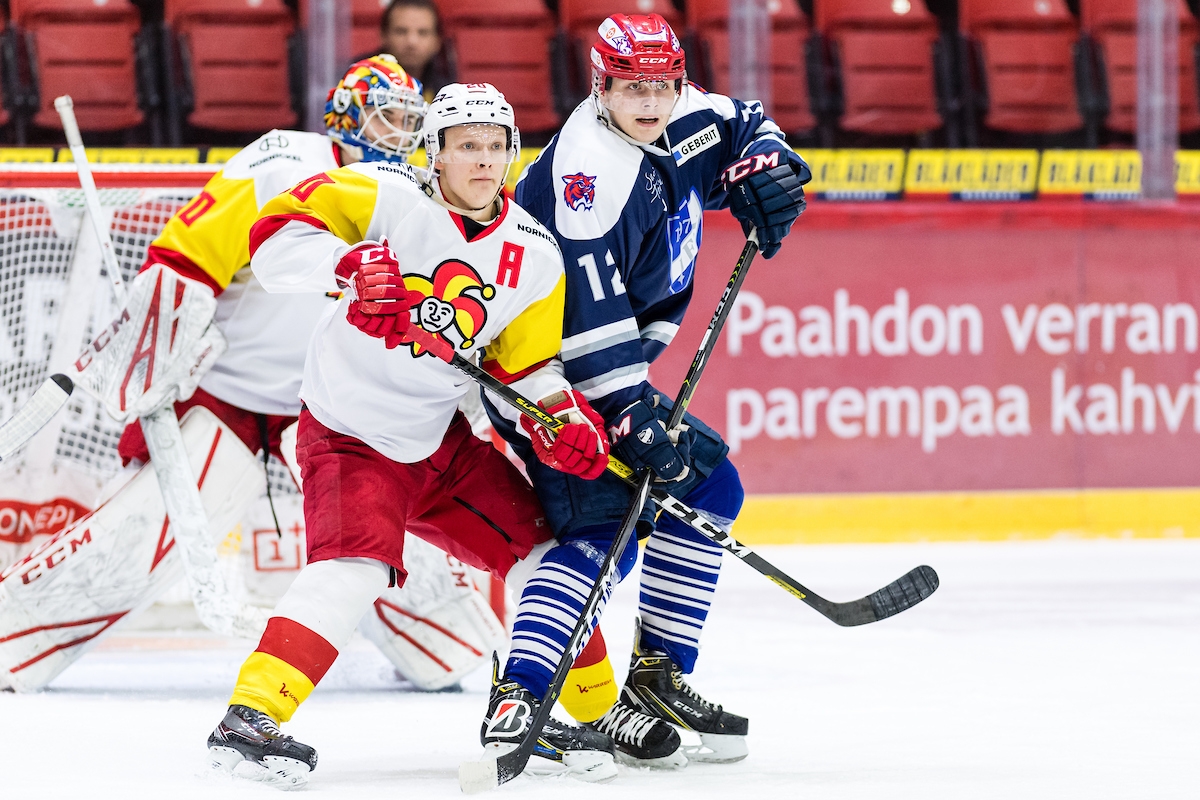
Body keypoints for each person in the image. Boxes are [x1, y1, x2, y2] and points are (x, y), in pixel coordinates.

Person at [205, 83, 636, 788]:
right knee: (355, 568)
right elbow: (272, 239)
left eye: (495, 146)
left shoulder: (534, 252)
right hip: (348, 434)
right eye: (466, 145)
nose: (483, 160)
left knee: (547, 561)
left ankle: (590, 711)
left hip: (441, 443)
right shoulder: (385, 192)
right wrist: (346, 267)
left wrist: (564, 420)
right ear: (434, 152)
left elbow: (526, 367)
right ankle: (249, 717)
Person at [486, 13, 812, 768]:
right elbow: (581, 317)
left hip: (611, 371)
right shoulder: (586, 178)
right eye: (634, 87)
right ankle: (520, 696)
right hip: (545, 378)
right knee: (607, 533)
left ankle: (657, 678)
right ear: (600, 85)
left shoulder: (684, 112)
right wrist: (629, 413)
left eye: (664, 85)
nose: (652, 101)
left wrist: (768, 168)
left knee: (709, 487)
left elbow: (747, 124)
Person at [357, 0, 451, 101]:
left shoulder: (447, 92)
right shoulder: (356, 76)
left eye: (422, 33)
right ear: (383, 36)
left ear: (437, 41)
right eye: (401, 31)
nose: (411, 42)